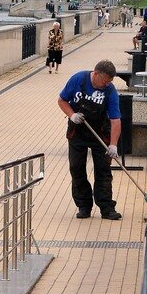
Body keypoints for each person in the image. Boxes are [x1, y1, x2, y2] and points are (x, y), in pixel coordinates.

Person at [58, 59, 122, 220]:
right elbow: (62, 100)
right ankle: (84, 206)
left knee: (103, 170)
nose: (106, 84)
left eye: (109, 82)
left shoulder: (110, 91)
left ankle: (106, 207)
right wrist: (71, 115)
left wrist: (113, 144)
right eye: (105, 81)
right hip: (77, 131)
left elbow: (115, 120)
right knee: (77, 167)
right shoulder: (78, 80)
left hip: (100, 132)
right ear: (96, 74)